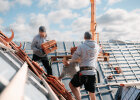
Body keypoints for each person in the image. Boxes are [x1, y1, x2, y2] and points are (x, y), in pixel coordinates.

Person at [67, 32, 100, 100]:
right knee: (92, 94)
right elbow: (100, 51)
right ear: (91, 37)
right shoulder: (97, 46)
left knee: (72, 85)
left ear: (84, 37)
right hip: (92, 73)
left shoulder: (82, 46)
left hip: (83, 73)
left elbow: (74, 58)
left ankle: (78, 99)